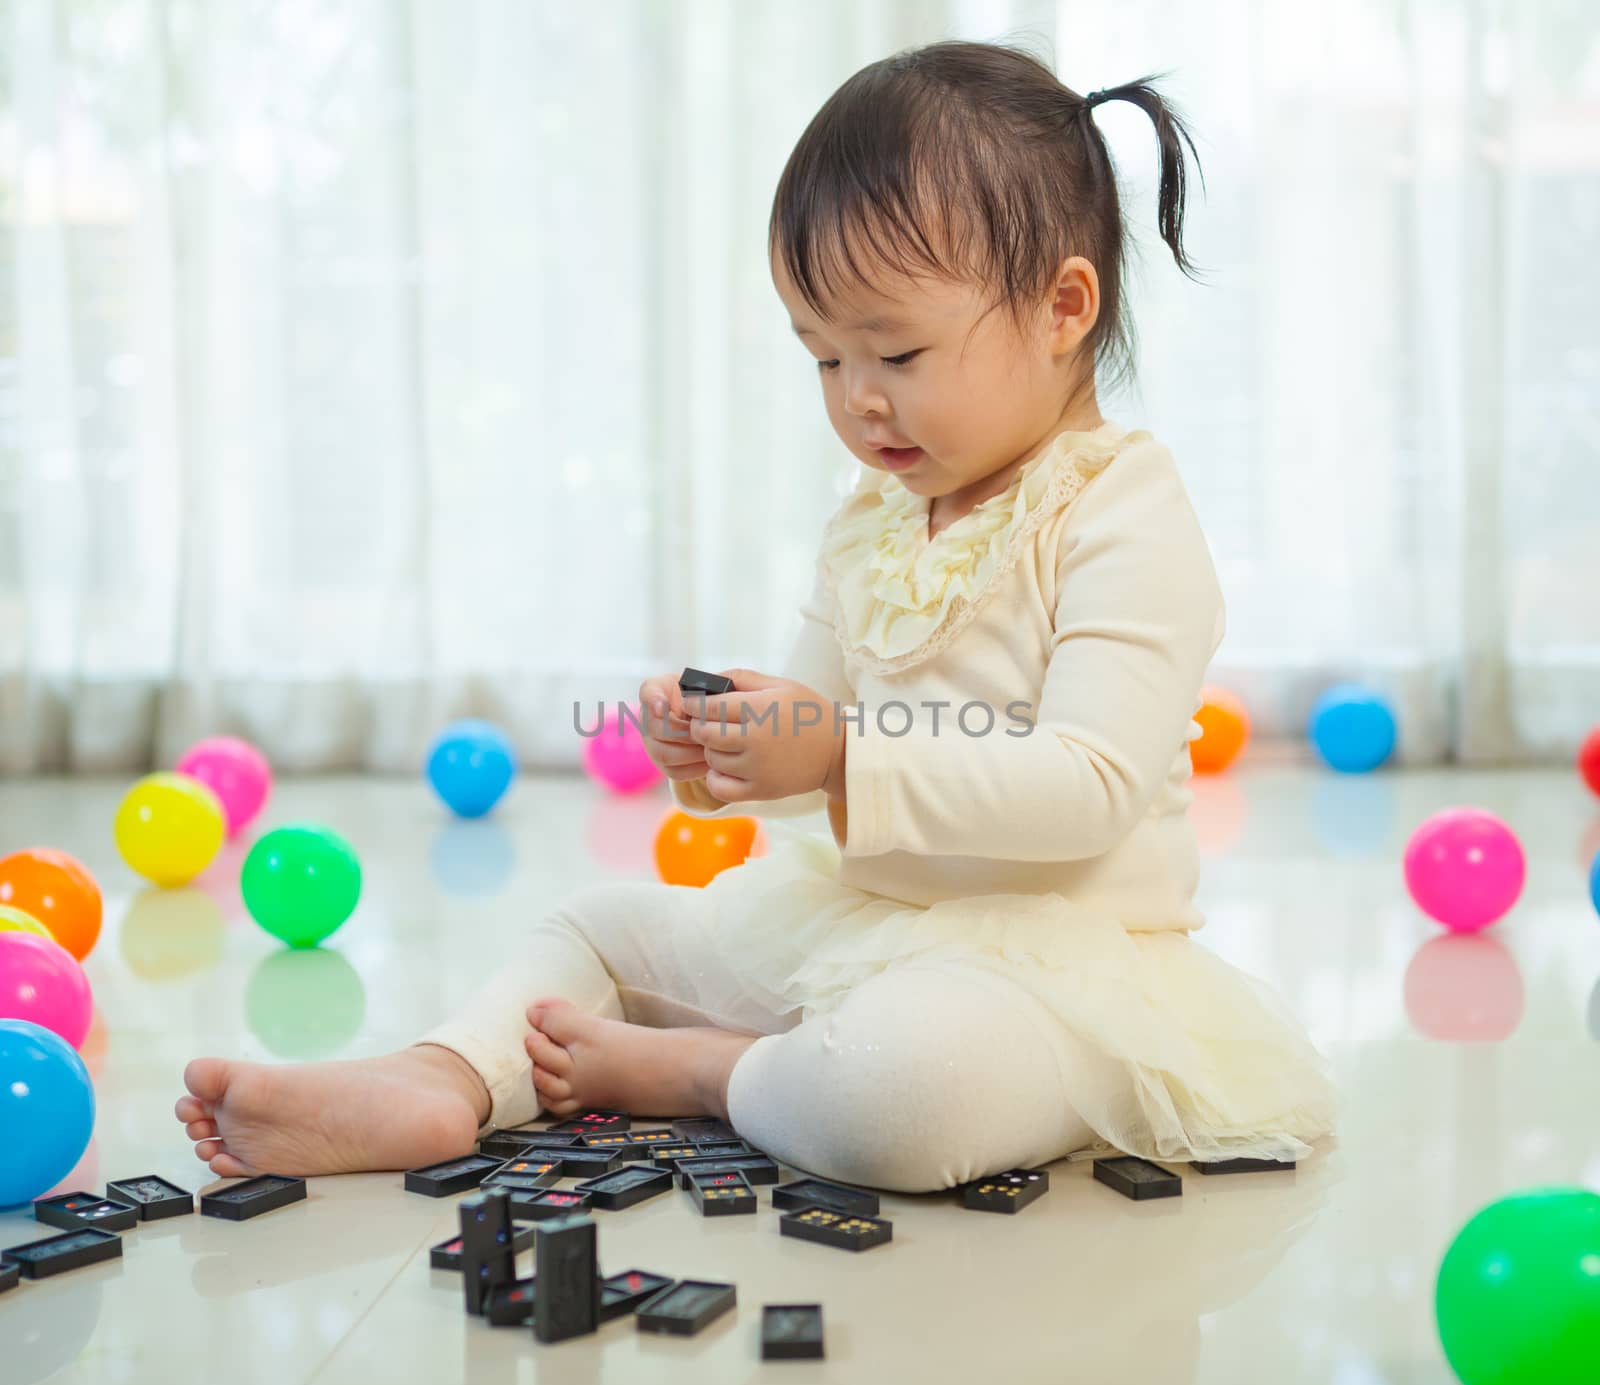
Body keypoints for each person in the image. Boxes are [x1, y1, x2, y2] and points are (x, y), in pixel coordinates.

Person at [176, 40, 1339, 1193]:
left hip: (1061, 975)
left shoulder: (1119, 506)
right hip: (869, 926)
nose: (858, 397)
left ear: (1061, 309)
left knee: (903, 1091)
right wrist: (728, 745)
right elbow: (809, 732)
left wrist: (836, 754)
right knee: (600, 925)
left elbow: (1087, 787)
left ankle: (711, 1074)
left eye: (894, 349)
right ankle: (443, 1077)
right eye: (823, 358)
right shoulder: (878, 518)